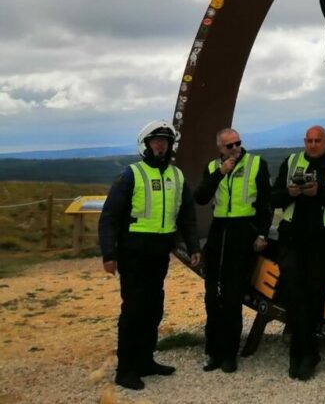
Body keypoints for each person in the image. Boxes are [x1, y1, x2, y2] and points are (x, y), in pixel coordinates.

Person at [99, 120, 201, 391]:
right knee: (134, 311)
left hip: (159, 254)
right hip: (133, 254)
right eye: (156, 141)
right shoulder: (131, 175)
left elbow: (187, 216)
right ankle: (125, 370)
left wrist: (194, 247)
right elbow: (109, 217)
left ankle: (145, 361)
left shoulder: (176, 177)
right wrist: (109, 254)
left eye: (165, 142)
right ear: (145, 145)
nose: (161, 145)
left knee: (154, 309)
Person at [271, 125, 325, 380]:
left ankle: (307, 354)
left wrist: (319, 193)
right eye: (309, 141)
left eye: (318, 140)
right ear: (304, 142)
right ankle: (302, 354)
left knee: (315, 296)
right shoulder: (291, 162)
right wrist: (290, 193)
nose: (313, 145)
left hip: (322, 240)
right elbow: (274, 198)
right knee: (294, 294)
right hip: (292, 238)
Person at [194, 127, 272, 373]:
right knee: (212, 294)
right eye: (229, 146)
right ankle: (213, 351)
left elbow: (265, 203)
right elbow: (201, 197)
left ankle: (229, 354)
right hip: (219, 231)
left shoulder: (256, 164)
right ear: (220, 148)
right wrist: (220, 173)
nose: (235, 148)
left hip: (243, 231)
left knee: (233, 295)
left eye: (238, 143)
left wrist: (262, 233)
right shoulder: (211, 168)